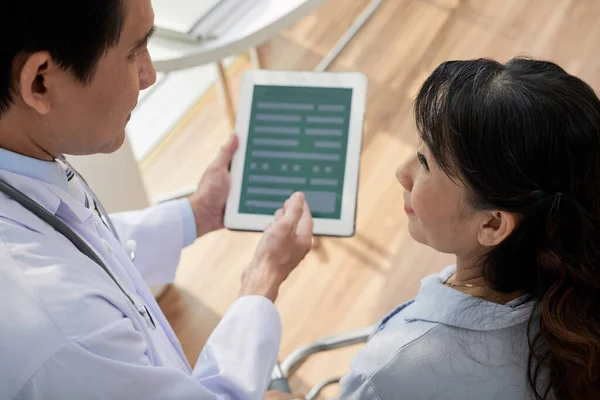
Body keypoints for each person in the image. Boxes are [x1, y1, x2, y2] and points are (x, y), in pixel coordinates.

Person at [0, 1, 313, 399]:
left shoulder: (24, 160)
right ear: (40, 82)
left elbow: (79, 248)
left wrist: (196, 214)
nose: (149, 75)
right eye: (134, 51)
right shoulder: (64, 332)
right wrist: (262, 282)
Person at [270, 57, 600, 400]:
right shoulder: (574, 290)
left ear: (492, 223)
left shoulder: (394, 368)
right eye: (419, 149)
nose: (402, 171)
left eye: (426, 163)